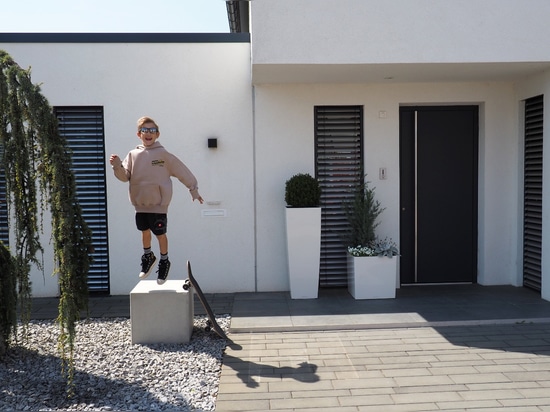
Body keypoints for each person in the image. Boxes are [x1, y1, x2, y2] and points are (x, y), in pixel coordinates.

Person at [110, 116, 204, 285]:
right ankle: (148, 256)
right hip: (140, 204)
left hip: (159, 204)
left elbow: (182, 171)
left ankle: (164, 260)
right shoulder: (132, 155)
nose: (148, 133)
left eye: (152, 130)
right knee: (144, 232)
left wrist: (194, 190)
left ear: (157, 134)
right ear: (139, 134)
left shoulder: (164, 155)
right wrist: (117, 166)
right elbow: (125, 177)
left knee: (160, 234)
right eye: (145, 130)